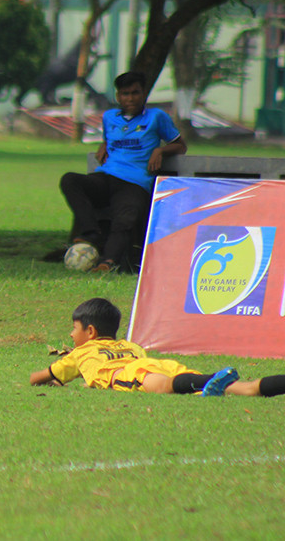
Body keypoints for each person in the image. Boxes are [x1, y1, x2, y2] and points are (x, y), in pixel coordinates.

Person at [59, 71, 187, 273]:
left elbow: (180, 145)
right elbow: (113, 137)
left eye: (135, 93)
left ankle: (107, 262)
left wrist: (160, 149)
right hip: (105, 177)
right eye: (125, 93)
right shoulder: (109, 117)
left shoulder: (156, 117)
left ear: (144, 93)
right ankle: (90, 233)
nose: (130, 98)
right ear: (118, 96)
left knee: (125, 218)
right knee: (69, 180)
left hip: (134, 183)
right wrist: (104, 144)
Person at [30, 298, 285, 397]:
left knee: (163, 388)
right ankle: (256, 386)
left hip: (128, 374)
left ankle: (212, 378)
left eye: (74, 328)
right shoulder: (131, 345)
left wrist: (42, 380)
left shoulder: (81, 353)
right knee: (240, 390)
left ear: (90, 332)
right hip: (156, 365)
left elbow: (39, 377)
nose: (71, 334)